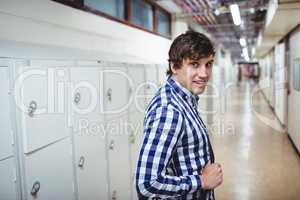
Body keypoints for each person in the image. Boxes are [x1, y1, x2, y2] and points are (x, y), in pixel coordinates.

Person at [135, 30, 223, 200]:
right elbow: (146, 183)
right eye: (195, 64)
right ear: (174, 67)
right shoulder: (169, 111)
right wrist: (202, 181)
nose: (204, 74)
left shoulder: (185, 99)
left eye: (209, 64)